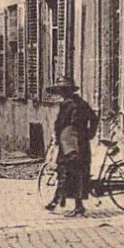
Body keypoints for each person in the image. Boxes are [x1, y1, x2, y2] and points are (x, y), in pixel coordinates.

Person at [46, 75, 99, 217]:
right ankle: (62, 201)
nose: (61, 94)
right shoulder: (74, 103)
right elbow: (93, 119)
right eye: (60, 91)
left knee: (74, 174)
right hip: (73, 144)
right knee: (72, 174)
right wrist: (90, 134)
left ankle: (75, 206)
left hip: (74, 145)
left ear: (68, 91)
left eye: (63, 90)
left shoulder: (73, 105)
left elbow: (72, 125)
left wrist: (88, 134)